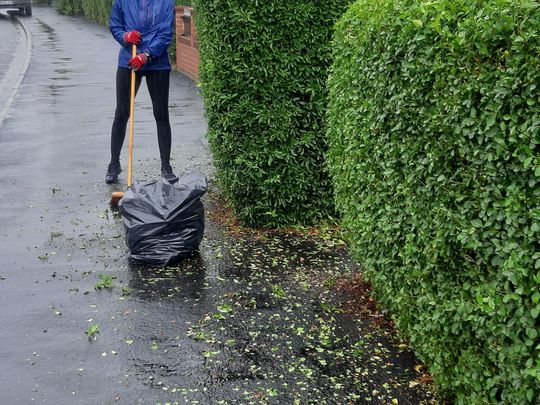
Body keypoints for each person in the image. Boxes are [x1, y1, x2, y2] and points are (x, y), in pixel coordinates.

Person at [106, 0, 178, 184]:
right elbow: (115, 25)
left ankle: (166, 167)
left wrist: (146, 54)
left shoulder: (166, 2)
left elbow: (165, 33)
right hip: (128, 60)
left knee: (161, 114)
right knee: (121, 113)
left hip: (157, 63)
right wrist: (125, 36)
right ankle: (114, 165)